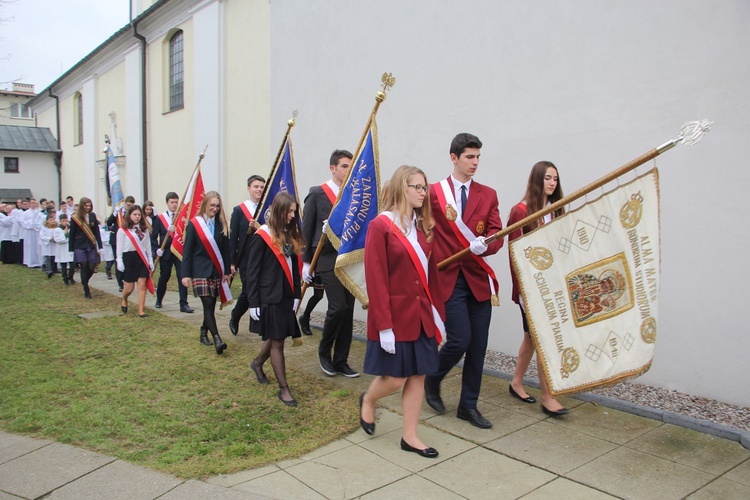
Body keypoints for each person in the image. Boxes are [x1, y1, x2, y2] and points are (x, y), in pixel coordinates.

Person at [360, 165, 445, 458]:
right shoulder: (380, 225)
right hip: (394, 318)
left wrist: (439, 318)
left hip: (422, 315)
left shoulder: (423, 228)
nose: (423, 193)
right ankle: (369, 400)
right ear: (402, 188)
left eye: (425, 187)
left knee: (418, 376)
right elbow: (376, 278)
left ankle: (410, 436)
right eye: (417, 187)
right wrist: (383, 325)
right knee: (395, 380)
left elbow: (432, 277)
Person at [424, 133, 504, 429]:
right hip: (448, 277)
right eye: (470, 157)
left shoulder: (488, 194)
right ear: (454, 157)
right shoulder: (434, 193)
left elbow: (497, 232)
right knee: (459, 339)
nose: (475, 162)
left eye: (478, 157)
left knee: (479, 345)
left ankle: (467, 406)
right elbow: (419, 227)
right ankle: (432, 378)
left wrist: (489, 244)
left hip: (477, 278)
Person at [508, 161, 569, 416]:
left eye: (555, 178)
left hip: (551, 286)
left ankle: (516, 382)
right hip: (531, 291)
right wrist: (523, 292)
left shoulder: (555, 211)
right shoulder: (520, 211)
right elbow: (514, 254)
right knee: (544, 339)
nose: (552, 182)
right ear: (537, 180)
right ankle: (547, 395)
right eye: (547, 178)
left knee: (531, 340)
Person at [301, 149, 359, 378]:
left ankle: (341, 360)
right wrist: (306, 262)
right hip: (325, 257)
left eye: (350, 167)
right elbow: (306, 229)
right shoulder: (317, 193)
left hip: (348, 257)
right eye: (344, 166)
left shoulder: (353, 194)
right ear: (333, 168)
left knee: (348, 311)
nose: (348, 170)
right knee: (338, 308)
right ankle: (324, 352)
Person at [247, 192, 304, 407]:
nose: (292, 215)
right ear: (279, 210)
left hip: (286, 295)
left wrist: (297, 294)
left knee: (275, 334)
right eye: (289, 211)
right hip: (268, 296)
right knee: (278, 340)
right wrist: (253, 302)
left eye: (294, 211)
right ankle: (284, 389)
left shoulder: (289, 233)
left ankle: (258, 362)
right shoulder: (263, 235)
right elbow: (252, 272)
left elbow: (294, 269)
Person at [181, 191, 233, 354]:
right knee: (208, 303)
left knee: (210, 305)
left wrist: (226, 271)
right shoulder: (194, 224)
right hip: (199, 270)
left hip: (215, 270)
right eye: (212, 205)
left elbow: (226, 251)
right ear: (205, 205)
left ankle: (204, 332)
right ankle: (217, 338)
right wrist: (185, 274)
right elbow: (187, 251)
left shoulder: (221, 223)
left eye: (217, 206)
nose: (215, 209)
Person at [228, 175, 265, 336]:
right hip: (246, 259)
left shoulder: (267, 210)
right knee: (250, 290)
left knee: (255, 291)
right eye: (256, 186)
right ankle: (235, 316)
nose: (259, 190)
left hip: (264, 258)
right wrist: (231, 263)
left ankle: (256, 322)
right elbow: (233, 238)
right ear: (249, 188)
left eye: (262, 187)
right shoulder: (239, 210)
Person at [154, 192, 193, 313]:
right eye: (172, 202)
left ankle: (183, 304)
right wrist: (157, 249)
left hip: (179, 252)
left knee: (182, 277)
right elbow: (153, 236)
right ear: (167, 203)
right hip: (166, 253)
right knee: (164, 277)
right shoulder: (160, 218)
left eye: (176, 202)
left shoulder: (182, 218)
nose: (174, 205)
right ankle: (159, 299)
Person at [117, 205, 155, 317]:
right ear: (129, 215)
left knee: (142, 284)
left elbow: (148, 246)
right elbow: (119, 247)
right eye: (135, 214)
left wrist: (150, 261)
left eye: (139, 214)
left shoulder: (144, 229)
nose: (137, 217)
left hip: (141, 258)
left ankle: (141, 310)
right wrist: (119, 261)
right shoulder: (123, 230)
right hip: (129, 258)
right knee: (129, 288)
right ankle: (124, 298)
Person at [69, 197, 103, 299]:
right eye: (86, 205)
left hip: (91, 245)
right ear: (81, 206)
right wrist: (71, 250)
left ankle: (85, 281)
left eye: (89, 205)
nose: (88, 207)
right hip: (79, 245)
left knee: (92, 267)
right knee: (84, 266)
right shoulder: (75, 218)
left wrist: (100, 246)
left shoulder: (92, 216)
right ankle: (86, 290)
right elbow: (72, 234)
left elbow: (97, 232)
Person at [107, 196, 135, 292]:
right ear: (125, 203)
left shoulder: (132, 214)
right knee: (118, 260)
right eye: (128, 205)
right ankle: (120, 283)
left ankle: (127, 280)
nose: (129, 207)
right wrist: (114, 214)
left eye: (131, 206)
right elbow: (109, 223)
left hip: (128, 241)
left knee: (127, 261)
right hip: (116, 240)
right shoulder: (118, 213)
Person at [53, 214, 75, 285]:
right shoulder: (57, 230)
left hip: (69, 249)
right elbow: (58, 240)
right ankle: (65, 279)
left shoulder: (71, 228)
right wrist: (65, 233)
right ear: (60, 221)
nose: (65, 222)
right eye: (63, 221)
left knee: (72, 265)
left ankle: (71, 277)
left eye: (66, 220)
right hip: (62, 249)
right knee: (64, 265)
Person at [39, 212, 58, 278]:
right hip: (47, 245)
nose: (52, 221)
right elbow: (42, 236)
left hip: (54, 244)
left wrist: (56, 238)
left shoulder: (56, 228)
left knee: (54, 257)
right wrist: (50, 239)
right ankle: (49, 270)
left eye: (53, 219)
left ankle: (54, 269)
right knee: (48, 258)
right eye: (50, 220)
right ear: (47, 221)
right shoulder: (44, 228)